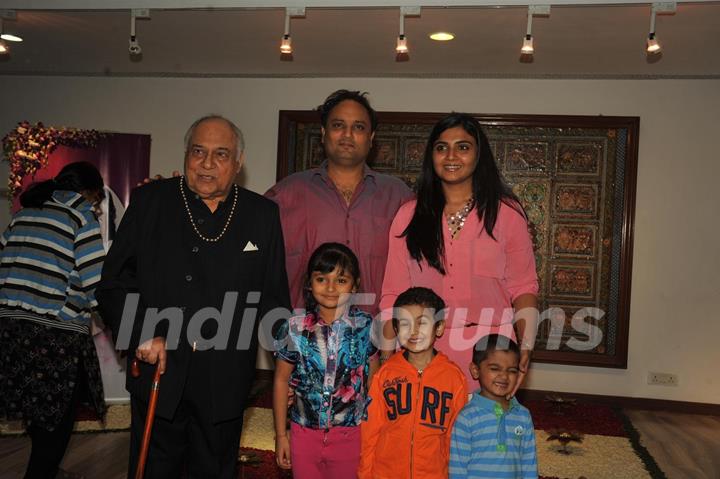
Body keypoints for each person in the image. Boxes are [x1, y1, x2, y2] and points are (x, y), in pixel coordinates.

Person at [95, 115, 290, 479]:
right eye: (198, 151)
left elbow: (273, 298)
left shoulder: (262, 215)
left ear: (238, 162)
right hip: (160, 371)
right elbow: (113, 284)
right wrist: (140, 332)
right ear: (186, 155)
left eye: (221, 154)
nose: (207, 163)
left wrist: (294, 360)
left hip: (225, 379)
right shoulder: (150, 201)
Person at [379, 112, 539, 392]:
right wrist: (386, 354)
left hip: (492, 352)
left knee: (487, 434)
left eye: (463, 147)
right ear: (432, 156)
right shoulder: (408, 216)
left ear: (479, 155)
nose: (451, 155)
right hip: (424, 351)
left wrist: (526, 346)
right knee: (427, 435)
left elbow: (524, 286)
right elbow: (394, 292)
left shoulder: (507, 215)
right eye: (441, 147)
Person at [0, 161, 107, 479]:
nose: (97, 209)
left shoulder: (24, 213)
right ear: (89, 193)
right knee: (57, 426)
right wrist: (126, 324)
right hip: (55, 338)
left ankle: (46, 470)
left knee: (35, 412)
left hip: (10, 331)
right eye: (98, 201)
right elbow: (96, 282)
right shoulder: (79, 214)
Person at [266, 89, 413, 315]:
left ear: (371, 137)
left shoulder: (399, 198)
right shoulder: (285, 195)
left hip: (378, 340)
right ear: (323, 133)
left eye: (358, 127)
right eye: (338, 125)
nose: (347, 134)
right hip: (302, 340)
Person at [272, 242, 378, 478]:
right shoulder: (294, 328)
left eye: (341, 280)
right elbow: (280, 380)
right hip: (303, 435)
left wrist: (375, 437)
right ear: (310, 283)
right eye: (322, 279)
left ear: (355, 284)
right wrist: (281, 435)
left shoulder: (367, 327)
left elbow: (375, 385)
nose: (331, 288)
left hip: (351, 436)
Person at [358, 287, 467, 479]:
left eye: (422, 323)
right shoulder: (385, 375)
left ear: (439, 327)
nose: (414, 331)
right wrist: (365, 473)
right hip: (386, 473)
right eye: (405, 324)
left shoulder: (454, 378)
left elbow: (457, 438)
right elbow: (370, 431)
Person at [449, 335, 538, 478]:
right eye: (495, 368)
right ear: (475, 370)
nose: (504, 376)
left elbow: (529, 464)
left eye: (512, 371)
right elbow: (457, 468)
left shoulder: (523, 415)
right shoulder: (467, 417)